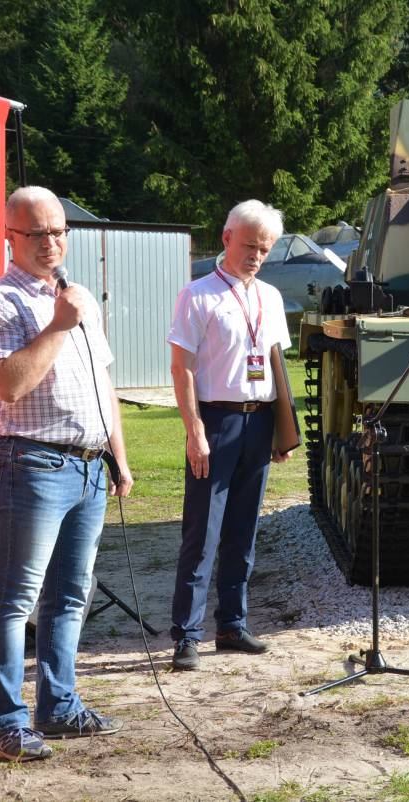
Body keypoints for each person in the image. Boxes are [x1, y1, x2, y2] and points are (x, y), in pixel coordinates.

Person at [0, 186, 134, 762]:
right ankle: (6, 724)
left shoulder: (78, 296)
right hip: (31, 464)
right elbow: (10, 385)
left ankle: (59, 706)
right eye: (37, 233)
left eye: (59, 231)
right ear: (10, 237)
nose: (51, 243)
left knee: (70, 594)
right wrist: (59, 325)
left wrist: (118, 455)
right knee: (17, 598)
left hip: (88, 466)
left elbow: (101, 382)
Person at [167, 200, 292, 671]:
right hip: (216, 421)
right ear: (227, 239)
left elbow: (276, 365)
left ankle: (232, 625)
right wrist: (194, 430)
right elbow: (181, 368)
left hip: (258, 422)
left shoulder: (271, 297)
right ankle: (186, 634)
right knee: (203, 532)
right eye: (250, 245)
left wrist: (282, 429)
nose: (256, 256)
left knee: (244, 530)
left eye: (265, 249)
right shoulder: (197, 295)